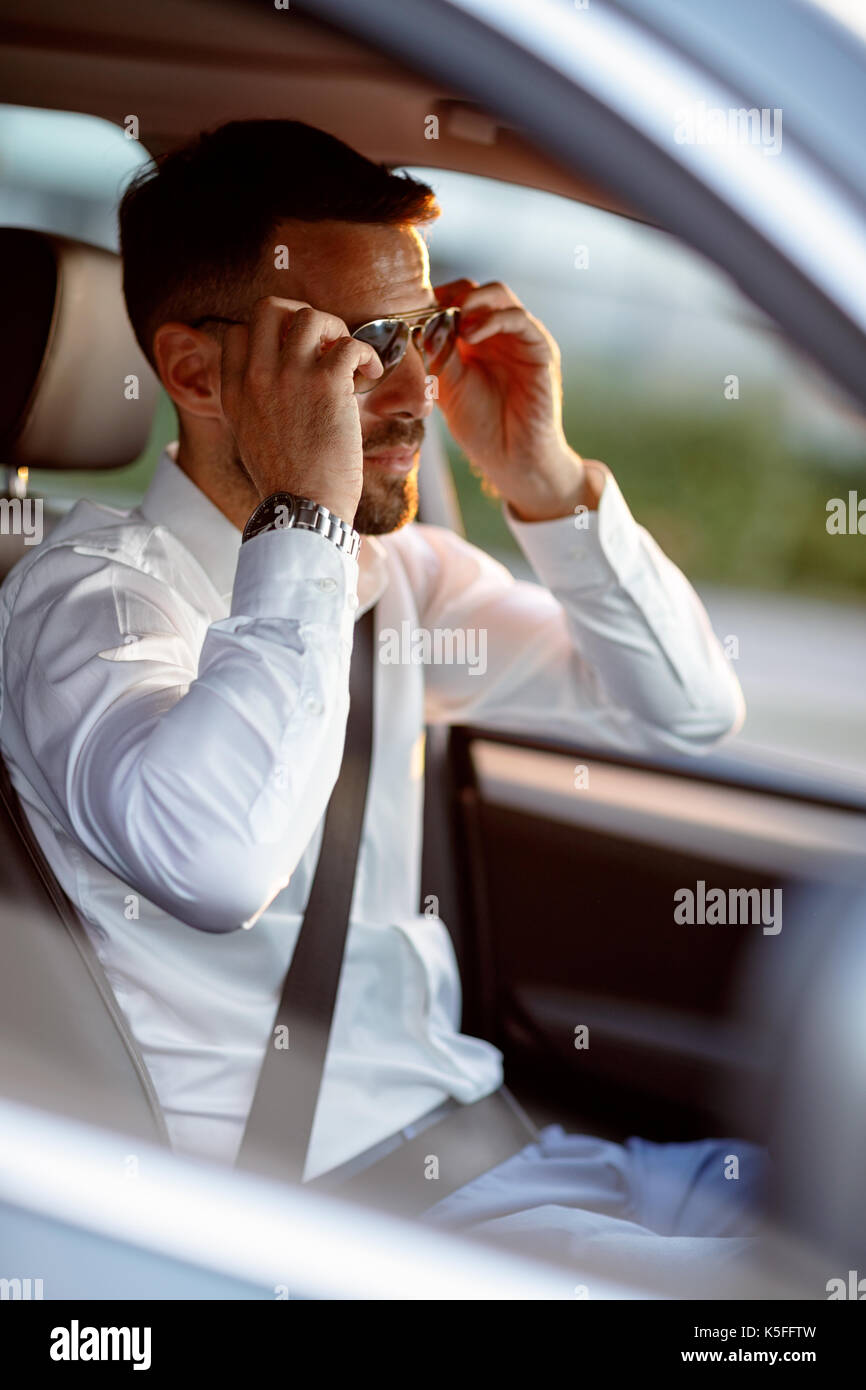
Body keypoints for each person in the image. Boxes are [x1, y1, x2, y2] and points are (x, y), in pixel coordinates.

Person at [0, 120, 763, 1286]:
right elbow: (212, 863)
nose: (416, 391)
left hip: (501, 1152)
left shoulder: (390, 580)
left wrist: (546, 483)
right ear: (198, 373)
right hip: (320, 1223)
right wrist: (304, 511)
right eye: (361, 349)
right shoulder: (87, 608)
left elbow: (686, 710)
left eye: (424, 332)